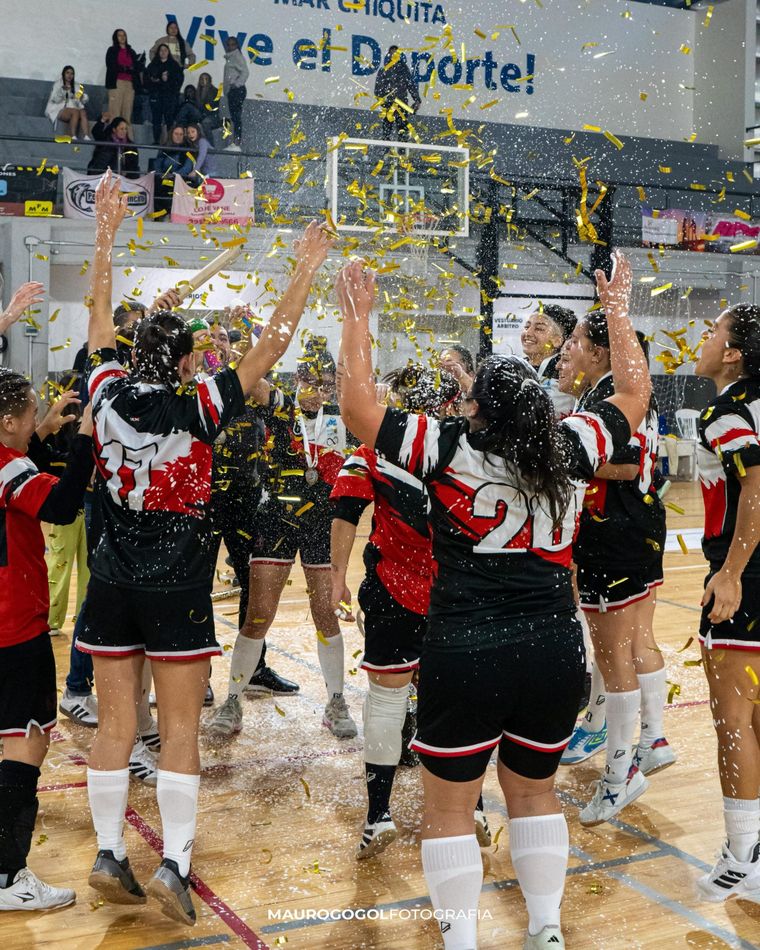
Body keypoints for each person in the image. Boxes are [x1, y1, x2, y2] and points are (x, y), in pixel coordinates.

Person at [335, 252, 650, 949]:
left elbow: (357, 405)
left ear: (477, 409)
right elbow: (634, 395)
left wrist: (357, 316)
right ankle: (544, 930)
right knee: (535, 794)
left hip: (465, 648)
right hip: (553, 649)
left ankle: (463, 941)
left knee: (448, 808)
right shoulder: (571, 445)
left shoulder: (447, 446)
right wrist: (619, 313)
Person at [78, 171, 333, 925]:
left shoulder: (104, 392)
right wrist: (304, 271)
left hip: (112, 578)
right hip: (177, 582)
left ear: (132, 353)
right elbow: (272, 344)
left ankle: (106, 851)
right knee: (182, 728)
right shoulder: (204, 402)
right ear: (189, 361)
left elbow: (97, 318)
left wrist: (105, 236)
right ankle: (176, 866)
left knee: (119, 725)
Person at [329, 364, 481, 860]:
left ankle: (378, 817)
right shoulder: (467, 451)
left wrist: (336, 579)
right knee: (456, 700)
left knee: (387, 703)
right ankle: (473, 808)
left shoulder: (372, 452)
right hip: (456, 595)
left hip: (394, 592)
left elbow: (345, 512)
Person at [209, 335, 357, 740]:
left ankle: (336, 700)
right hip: (276, 517)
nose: (315, 389)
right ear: (297, 378)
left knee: (326, 613)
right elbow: (254, 382)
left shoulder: (345, 418)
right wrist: (234, 349)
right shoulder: (282, 407)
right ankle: (233, 698)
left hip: (323, 523)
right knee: (259, 613)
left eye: (324, 382)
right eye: (308, 379)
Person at [563, 319, 673, 826]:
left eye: (578, 342)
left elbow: (625, 464)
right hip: (641, 524)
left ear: (602, 352)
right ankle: (653, 739)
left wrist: (555, 452)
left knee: (613, 655)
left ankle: (619, 774)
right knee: (638, 642)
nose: (571, 349)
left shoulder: (613, 396)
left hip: (614, 533)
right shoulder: (632, 389)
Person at [0, 367, 94, 912]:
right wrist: (82, 438)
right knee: (26, 743)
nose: (39, 416)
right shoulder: (10, 466)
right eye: (32, 411)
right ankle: (8, 876)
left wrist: (38, 436)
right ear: (8, 420)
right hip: (14, 625)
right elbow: (60, 507)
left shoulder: (12, 454)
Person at [691, 304, 760, 902]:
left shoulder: (725, 411)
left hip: (748, 575)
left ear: (734, 353)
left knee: (734, 721)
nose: (703, 339)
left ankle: (742, 855)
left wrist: (733, 571)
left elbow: (756, 486)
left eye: (714, 331)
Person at [44, 378, 90, 635]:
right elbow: (53, 461)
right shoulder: (58, 428)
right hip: (67, 505)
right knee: (60, 562)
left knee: (86, 568)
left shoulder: (89, 424)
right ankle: (52, 619)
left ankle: (83, 618)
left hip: (88, 505)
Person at [521, 304, 578, 417]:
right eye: (527, 327)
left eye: (539, 329)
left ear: (557, 340)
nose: (528, 333)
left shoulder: (566, 370)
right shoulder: (517, 366)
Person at [374, 46, 421, 141]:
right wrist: (384, 100)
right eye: (392, 54)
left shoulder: (404, 70)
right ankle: (386, 152)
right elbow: (377, 90)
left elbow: (411, 85)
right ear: (389, 55)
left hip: (401, 105)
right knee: (387, 132)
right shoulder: (384, 70)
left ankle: (401, 153)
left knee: (402, 131)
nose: (394, 56)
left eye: (396, 54)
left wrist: (417, 100)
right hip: (389, 105)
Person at [146, 45, 183, 145]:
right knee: (156, 119)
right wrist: (155, 81)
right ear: (158, 52)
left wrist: (168, 80)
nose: (163, 52)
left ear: (168, 52)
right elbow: (146, 80)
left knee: (169, 119)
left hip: (169, 97)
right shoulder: (152, 65)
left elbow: (179, 80)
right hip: (156, 96)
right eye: (161, 50)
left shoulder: (174, 65)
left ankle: (171, 141)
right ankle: (156, 140)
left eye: (165, 50)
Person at [105, 29, 139, 129]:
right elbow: (111, 65)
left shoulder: (131, 51)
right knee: (114, 113)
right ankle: (112, 140)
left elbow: (135, 67)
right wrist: (126, 68)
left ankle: (126, 141)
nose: (122, 37)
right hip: (117, 82)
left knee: (127, 113)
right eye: (119, 35)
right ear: (115, 37)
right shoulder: (112, 50)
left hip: (130, 84)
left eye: (124, 35)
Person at [45, 65, 91, 140]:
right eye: (67, 73)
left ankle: (86, 136)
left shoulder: (78, 85)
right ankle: (72, 136)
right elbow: (54, 100)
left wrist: (82, 97)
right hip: (58, 109)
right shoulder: (57, 84)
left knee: (83, 112)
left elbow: (82, 100)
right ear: (63, 74)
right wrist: (62, 91)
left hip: (73, 107)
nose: (69, 75)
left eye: (72, 73)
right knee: (75, 112)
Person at [223, 37, 249, 151]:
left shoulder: (236, 56)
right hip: (233, 91)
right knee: (234, 117)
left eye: (233, 44)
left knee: (236, 117)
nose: (230, 47)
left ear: (237, 45)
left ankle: (237, 142)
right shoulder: (231, 57)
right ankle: (235, 141)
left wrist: (237, 84)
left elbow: (246, 72)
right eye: (228, 44)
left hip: (237, 91)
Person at [197, 72, 221, 140]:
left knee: (205, 123)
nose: (203, 81)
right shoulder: (197, 92)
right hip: (201, 115)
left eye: (206, 79)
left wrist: (204, 92)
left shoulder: (215, 91)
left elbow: (213, 107)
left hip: (212, 116)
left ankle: (211, 146)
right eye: (201, 79)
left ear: (209, 81)